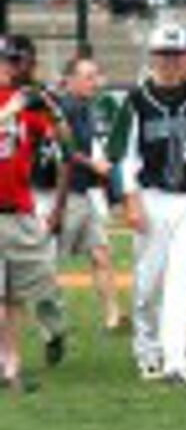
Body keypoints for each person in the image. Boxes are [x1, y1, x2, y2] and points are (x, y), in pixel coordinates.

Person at [108, 23, 186, 385]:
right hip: (152, 196)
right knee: (149, 280)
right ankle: (147, 348)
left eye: (177, 54)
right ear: (153, 57)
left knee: (182, 278)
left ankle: (177, 359)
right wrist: (131, 201)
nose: (171, 62)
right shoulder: (138, 101)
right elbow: (122, 156)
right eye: (164, 54)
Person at [0, 37, 70, 392]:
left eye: (18, 62)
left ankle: (13, 365)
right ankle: (7, 367)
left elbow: (66, 144)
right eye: (7, 61)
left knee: (18, 294)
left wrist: (52, 109)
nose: (12, 68)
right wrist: (9, 111)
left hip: (21, 212)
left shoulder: (29, 103)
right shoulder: (14, 105)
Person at [54, 56, 124, 330]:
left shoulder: (87, 108)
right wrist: (94, 165)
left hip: (84, 191)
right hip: (66, 194)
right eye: (88, 77)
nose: (94, 82)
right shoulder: (65, 108)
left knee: (101, 254)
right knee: (48, 262)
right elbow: (65, 151)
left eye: (96, 76)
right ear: (70, 80)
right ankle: (53, 322)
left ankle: (113, 315)